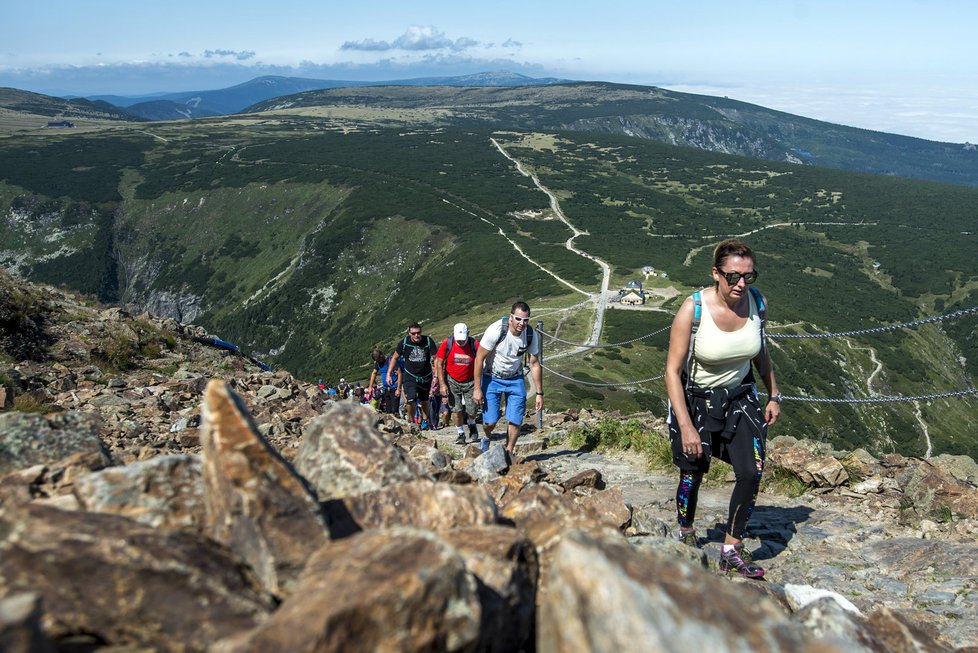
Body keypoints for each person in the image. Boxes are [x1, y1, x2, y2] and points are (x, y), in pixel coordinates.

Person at [664, 239, 781, 579]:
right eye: (732, 276)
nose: (741, 284)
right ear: (715, 274)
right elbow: (672, 370)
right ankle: (686, 531)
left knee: (752, 471)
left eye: (748, 276)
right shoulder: (693, 310)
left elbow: (760, 351)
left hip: (740, 398)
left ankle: (731, 548)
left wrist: (773, 393)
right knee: (693, 470)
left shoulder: (757, 303)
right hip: (698, 399)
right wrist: (686, 426)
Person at [473, 302, 543, 457]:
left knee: (515, 419)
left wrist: (539, 393)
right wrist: (477, 389)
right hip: (492, 377)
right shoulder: (496, 330)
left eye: (525, 320)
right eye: (518, 319)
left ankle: (508, 451)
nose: (522, 323)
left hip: (515, 378)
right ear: (511, 317)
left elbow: (535, 363)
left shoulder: (531, 335)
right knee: (490, 422)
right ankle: (487, 436)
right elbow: (479, 358)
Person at [436, 322, 482, 445]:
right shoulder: (448, 343)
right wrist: (442, 384)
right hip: (452, 380)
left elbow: (481, 360)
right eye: (458, 340)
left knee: (472, 409)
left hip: (470, 381)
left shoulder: (474, 344)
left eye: (463, 340)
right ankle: (461, 433)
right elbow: (439, 362)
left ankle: (472, 424)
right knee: (456, 409)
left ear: (468, 334)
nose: (461, 342)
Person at [387, 323, 438, 430]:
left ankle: (424, 420)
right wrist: (389, 374)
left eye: (418, 333)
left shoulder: (428, 341)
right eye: (413, 333)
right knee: (411, 399)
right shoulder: (404, 342)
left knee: (425, 399)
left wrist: (436, 375)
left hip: (426, 375)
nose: (416, 335)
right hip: (410, 375)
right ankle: (410, 421)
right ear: (409, 333)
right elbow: (395, 357)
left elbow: (436, 358)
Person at [368, 348, 402, 415]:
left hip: (394, 388)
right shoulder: (378, 363)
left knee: (395, 410)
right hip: (386, 389)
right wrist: (370, 386)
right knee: (388, 411)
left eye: (378, 360)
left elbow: (399, 374)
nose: (378, 361)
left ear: (381, 355)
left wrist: (398, 388)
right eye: (376, 360)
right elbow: (374, 373)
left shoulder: (391, 360)